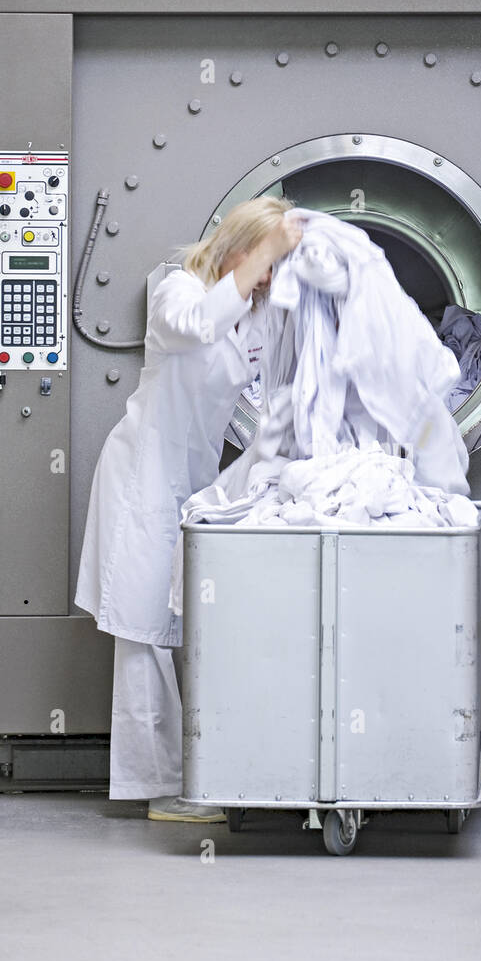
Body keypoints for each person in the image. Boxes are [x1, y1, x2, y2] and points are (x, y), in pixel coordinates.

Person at [74, 196, 303, 819]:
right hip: (142, 485)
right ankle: (162, 791)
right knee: (144, 632)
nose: (269, 283)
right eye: (265, 267)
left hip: (193, 487)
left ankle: (198, 771)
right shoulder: (176, 291)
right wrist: (261, 258)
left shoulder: (253, 313)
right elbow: (197, 326)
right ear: (238, 252)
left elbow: (271, 386)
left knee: (181, 629)